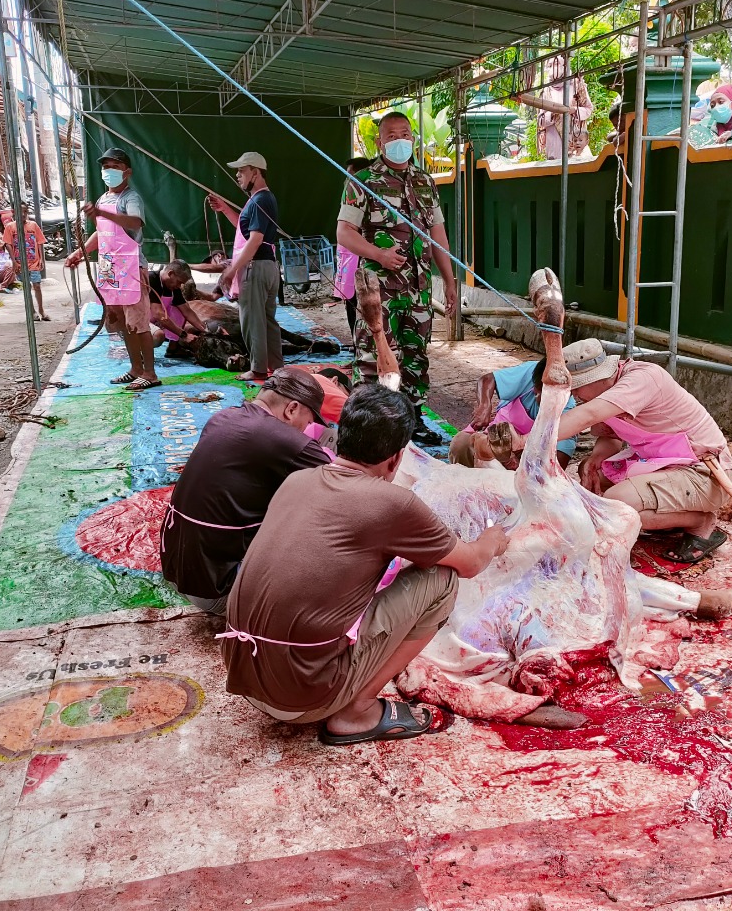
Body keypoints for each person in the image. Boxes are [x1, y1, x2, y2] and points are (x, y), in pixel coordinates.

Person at [220, 384, 510, 744]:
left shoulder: (297, 479)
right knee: (442, 578)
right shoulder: (392, 503)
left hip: (243, 673)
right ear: (396, 459)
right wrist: (492, 540)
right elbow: (469, 564)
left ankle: (336, 685)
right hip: (299, 697)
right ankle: (356, 710)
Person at [547, 339, 732, 564]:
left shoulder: (643, 377)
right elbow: (609, 435)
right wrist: (596, 458)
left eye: (577, 387)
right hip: (663, 462)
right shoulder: (604, 390)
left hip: (704, 472)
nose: (574, 394)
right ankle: (671, 519)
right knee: (594, 473)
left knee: (616, 504)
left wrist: (527, 440)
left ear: (598, 375)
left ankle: (700, 523)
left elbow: (588, 415)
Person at [161, 367, 330, 617]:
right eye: (308, 422)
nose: (306, 430)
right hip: (220, 591)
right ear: (292, 409)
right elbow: (347, 487)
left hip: (178, 573)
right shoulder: (287, 441)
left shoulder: (223, 416)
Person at [336, 111, 459, 446]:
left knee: (415, 355)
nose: (400, 140)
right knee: (375, 355)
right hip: (380, 293)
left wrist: (449, 281)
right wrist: (379, 255)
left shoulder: (425, 181)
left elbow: (438, 237)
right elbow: (344, 232)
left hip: (417, 291)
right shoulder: (363, 181)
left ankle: (413, 420)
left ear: (413, 138)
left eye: (405, 133)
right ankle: (371, 427)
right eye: (392, 135)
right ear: (380, 142)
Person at [65, 148, 158, 392]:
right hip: (110, 267)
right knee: (121, 321)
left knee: (138, 321)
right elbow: (101, 231)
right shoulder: (103, 199)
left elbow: (135, 222)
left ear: (127, 172)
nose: (109, 172)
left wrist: (102, 213)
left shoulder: (131, 198)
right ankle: (135, 368)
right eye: (106, 167)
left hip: (130, 267)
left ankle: (150, 372)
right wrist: (80, 253)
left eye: (114, 167)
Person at [207, 152, 282, 382]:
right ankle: (276, 367)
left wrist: (231, 269)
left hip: (255, 268)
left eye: (242, 170)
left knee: (251, 320)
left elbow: (255, 239)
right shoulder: (260, 200)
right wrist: (224, 209)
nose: (238, 175)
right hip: (267, 266)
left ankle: (258, 369)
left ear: (256, 172)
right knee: (267, 320)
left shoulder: (260, 199)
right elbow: (245, 229)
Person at [450, 358, 578, 470]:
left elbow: (556, 465)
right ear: (535, 387)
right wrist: (484, 406)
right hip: (494, 437)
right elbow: (487, 379)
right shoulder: (537, 371)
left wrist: (516, 464)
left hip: (527, 457)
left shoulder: (570, 415)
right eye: (540, 392)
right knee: (461, 443)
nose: (537, 395)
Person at [334, 157, 372, 342]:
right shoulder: (349, 199)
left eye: (352, 176)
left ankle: (363, 351)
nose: (349, 181)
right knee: (350, 306)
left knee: (362, 309)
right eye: (347, 176)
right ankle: (356, 348)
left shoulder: (370, 199)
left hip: (363, 263)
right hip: (348, 261)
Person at [537, 53, 594, 159]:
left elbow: (588, 109)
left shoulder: (577, 85)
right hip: (554, 145)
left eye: (556, 64)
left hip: (575, 141)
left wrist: (573, 110)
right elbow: (540, 120)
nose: (553, 68)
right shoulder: (546, 91)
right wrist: (553, 114)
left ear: (564, 65)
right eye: (550, 65)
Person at [148, 259, 207, 360]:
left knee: (180, 309)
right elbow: (158, 314)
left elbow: (187, 311)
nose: (179, 286)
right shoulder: (151, 279)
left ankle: (173, 349)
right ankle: (140, 350)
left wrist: (206, 330)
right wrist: (184, 335)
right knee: (158, 335)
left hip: (155, 320)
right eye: (179, 282)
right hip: (137, 321)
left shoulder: (173, 288)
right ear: (171, 273)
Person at [12, 211, 49, 321]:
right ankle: (32, 311)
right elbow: (9, 244)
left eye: (24, 212)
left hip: (34, 262)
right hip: (20, 263)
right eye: (20, 212)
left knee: (37, 285)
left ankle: (41, 310)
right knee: (26, 286)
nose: (22, 214)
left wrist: (42, 259)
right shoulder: (10, 227)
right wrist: (14, 261)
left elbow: (40, 242)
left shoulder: (33, 225)